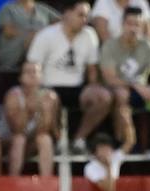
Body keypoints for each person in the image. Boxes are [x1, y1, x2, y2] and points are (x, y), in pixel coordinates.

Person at [25, 0, 113, 154]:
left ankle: (79, 139)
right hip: (49, 87)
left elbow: (92, 70)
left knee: (104, 97)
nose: (84, 20)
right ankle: (59, 141)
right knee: (48, 99)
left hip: (77, 87)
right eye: (80, 15)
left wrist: (93, 86)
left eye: (87, 16)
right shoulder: (46, 35)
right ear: (67, 14)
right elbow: (32, 68)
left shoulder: (90, 35)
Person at [100, 5, 150, 155]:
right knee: (121, 95)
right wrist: (136, 86)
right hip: (120, 89)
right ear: (122, 24)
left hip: (145, 94)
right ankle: (123, 143)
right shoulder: (110, 46)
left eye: (137, 25)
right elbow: (110, 79)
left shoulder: (147, 45)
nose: (133, 29)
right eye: (129, 24)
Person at [0, 58, 55, 176]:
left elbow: (45, 129)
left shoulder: (48, 97)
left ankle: (47, 183)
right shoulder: (13, 95)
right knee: (19, 139)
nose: (32, 75)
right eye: (28, 72)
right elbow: (18, 129)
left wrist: (44, 110)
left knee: (45, 139)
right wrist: (27, 107)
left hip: (31, 142)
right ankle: (13, 181)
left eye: (35, 72)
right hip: (7, 141)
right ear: (20, 77)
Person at [0, 0, 57, 69]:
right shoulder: (8, 9)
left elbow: (62, 22)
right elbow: (8, 32)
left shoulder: (42, 9)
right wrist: (31, 35)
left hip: (43, 46)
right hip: (15, 49)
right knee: (35, 40)